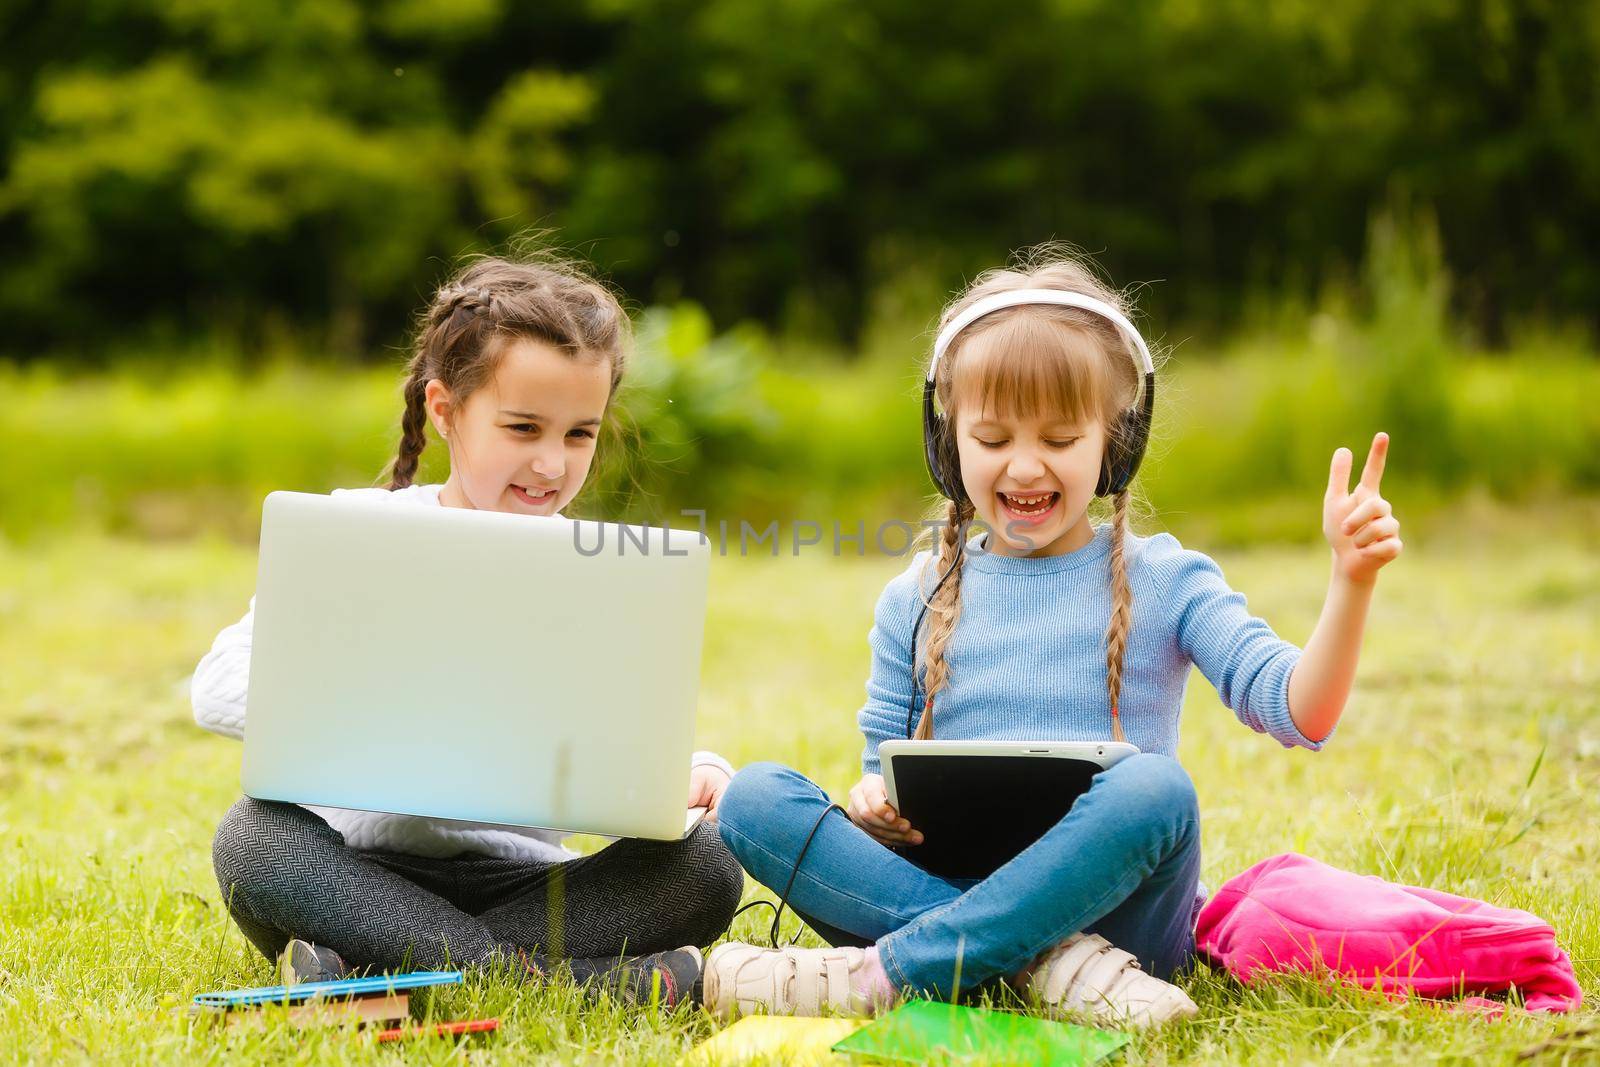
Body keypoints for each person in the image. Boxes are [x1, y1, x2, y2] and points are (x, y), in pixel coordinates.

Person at [705, 246, 1402, 1026]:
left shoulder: (1169, 581)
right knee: (755, 796)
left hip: (1125, 928)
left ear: (1116, 441)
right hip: (953, 893)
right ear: (948, 443)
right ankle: (1043, 968)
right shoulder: (913, 598)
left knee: (1155, 788)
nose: (1025, 466)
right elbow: (880, 783)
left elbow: (1300, 712)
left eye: (1061, 439)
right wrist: (872, 804)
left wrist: (1352, 581)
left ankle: (888, 971)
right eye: (994, 439)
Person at [193, 254, 744, 1007]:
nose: (551, 462)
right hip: (362, 871)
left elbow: (628, 732)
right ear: (446, 409)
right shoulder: (360, 531)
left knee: (708, 866)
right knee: (255, 840)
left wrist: (694, 770)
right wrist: (392, 701)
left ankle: (375, 971)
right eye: (523, 428)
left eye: (580, 433)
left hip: (529, 882)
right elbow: (216, 685)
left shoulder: (602, 567)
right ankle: (557, 983)